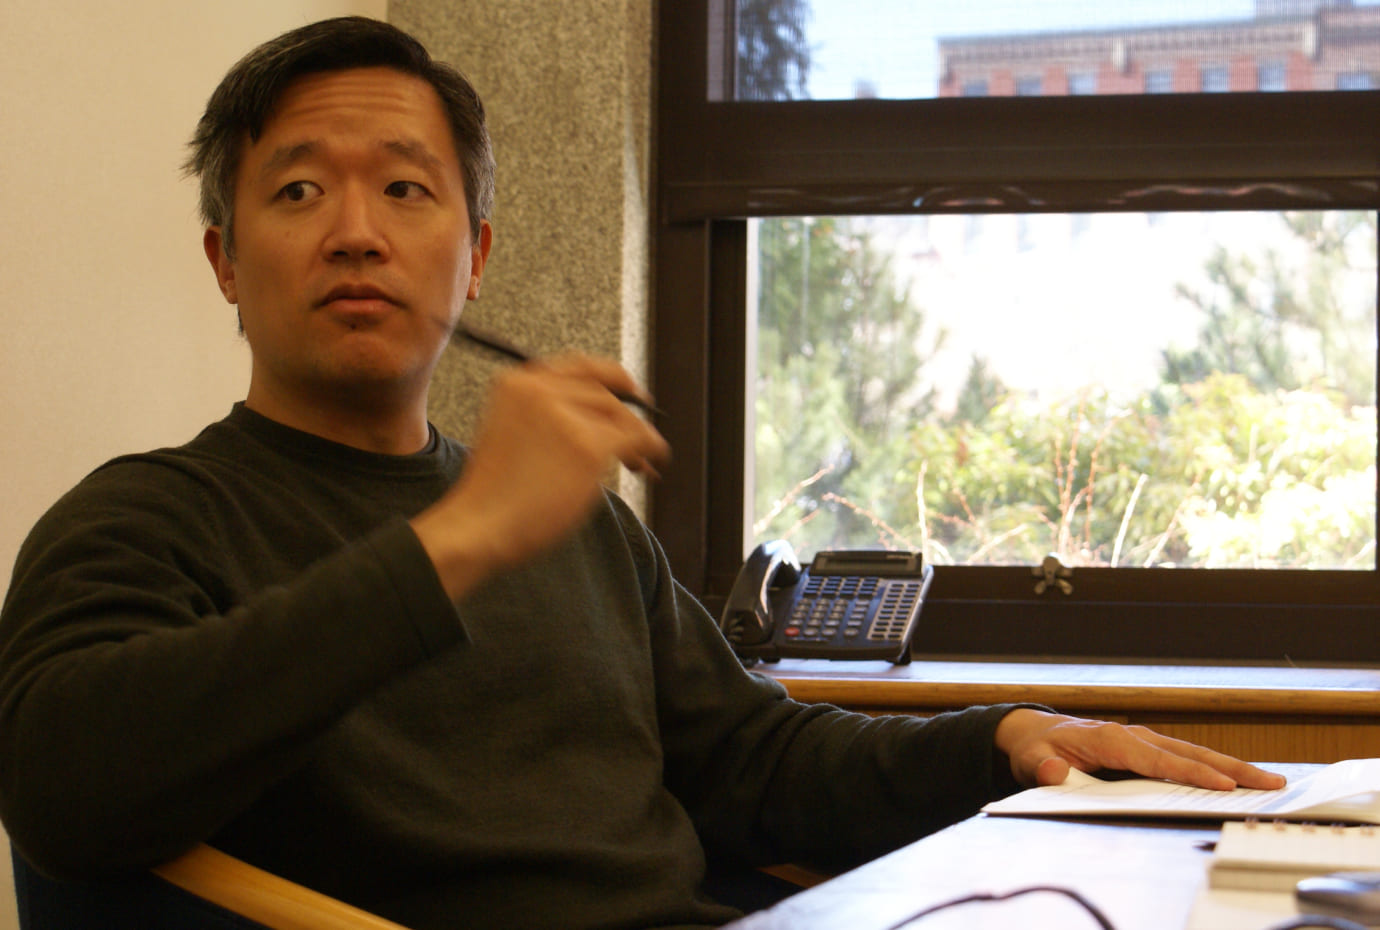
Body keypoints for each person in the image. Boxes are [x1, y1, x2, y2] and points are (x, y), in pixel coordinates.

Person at [0, 16, 1284, 930]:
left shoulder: (579, 529)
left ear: (475, 256)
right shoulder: (144, 521)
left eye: (404, 189)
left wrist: (998, 743)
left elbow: (754, 764)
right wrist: (460, 543)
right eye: (296, 193)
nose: (355, 233)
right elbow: (61, 795)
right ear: (225, 260)